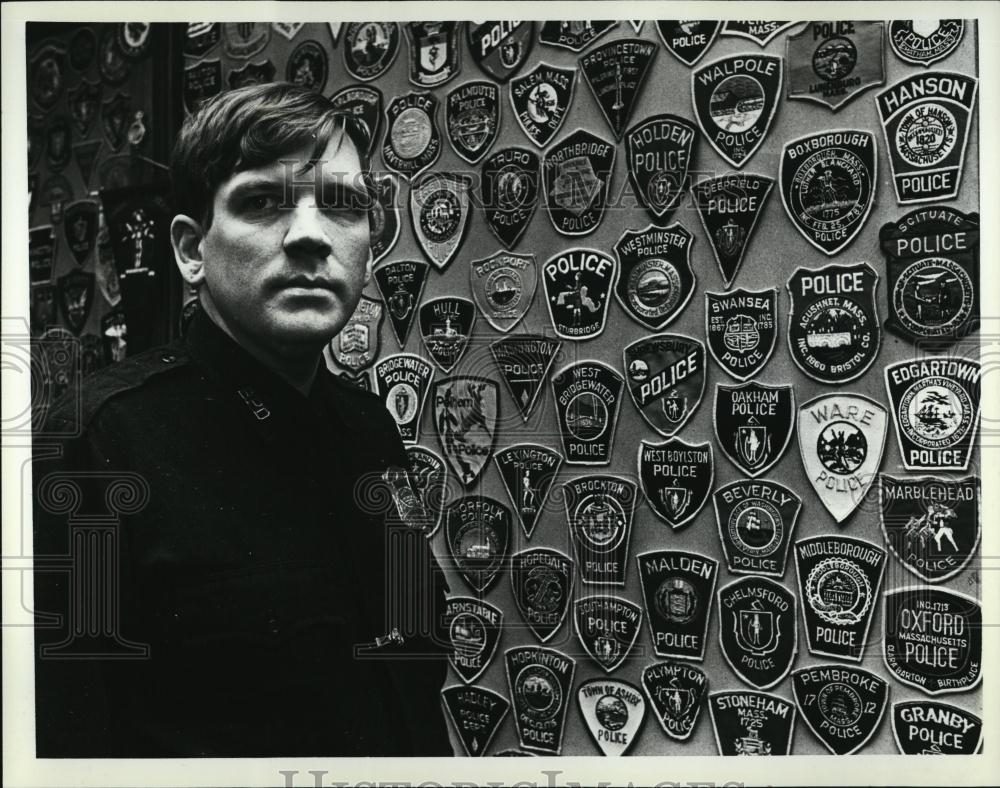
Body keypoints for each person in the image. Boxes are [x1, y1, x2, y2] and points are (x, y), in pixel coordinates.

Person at [32, 83, 451, 757]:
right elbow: (64, 742)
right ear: (191, 250)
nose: (311, 235)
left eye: (342, 205)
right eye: (262, 202)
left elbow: (411, 684)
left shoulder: (369, 428)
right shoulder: (101, 441)